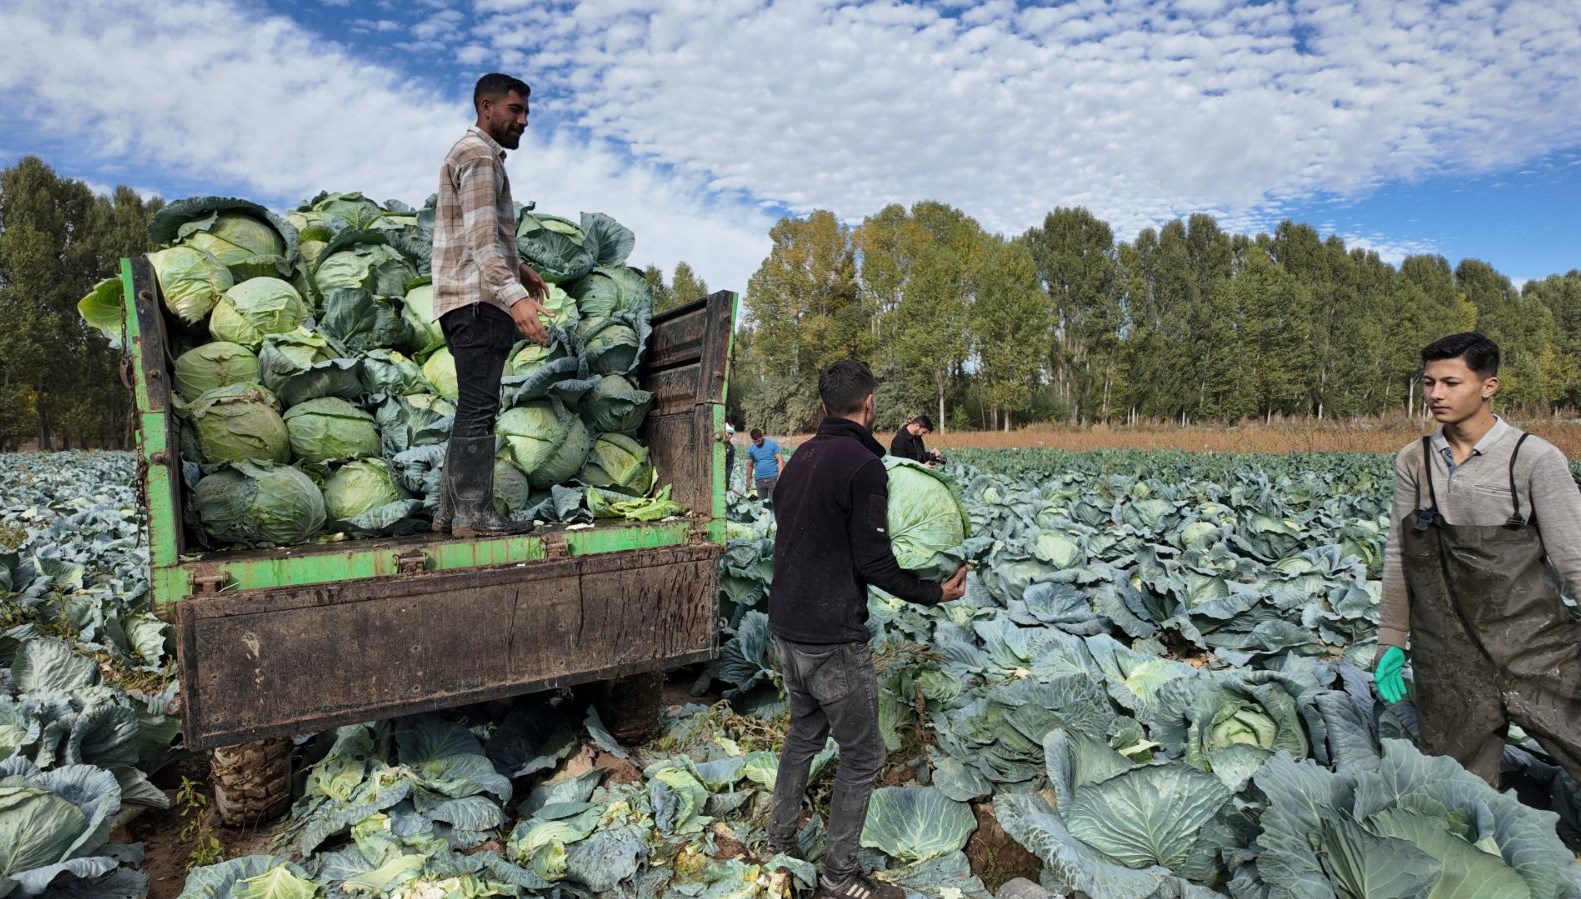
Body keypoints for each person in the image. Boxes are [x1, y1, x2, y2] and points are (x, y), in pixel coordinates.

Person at [765, 360, 969, 899]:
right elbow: (876, 565)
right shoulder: (863, 466)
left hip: (785, 630)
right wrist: (934, 592)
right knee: (862, 756)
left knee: (803, 735)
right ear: (870, 403)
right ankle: (838, 877)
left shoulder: (800, 457)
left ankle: (776, 844)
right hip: (831, 639)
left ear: (824, 404)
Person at [1375, 332, 1581, 785]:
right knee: (1458, 791)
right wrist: (1391, 637)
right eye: (1429, 383)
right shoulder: (1415, 460)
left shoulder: (1534, 459)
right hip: (1448, 653)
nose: (1435, 395)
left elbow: (1575, 560)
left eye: (1450, 382)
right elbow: (1399, 556)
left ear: (1490, 386)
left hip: (1533, 645)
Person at [431, 73, 551, 538]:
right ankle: (473, 515)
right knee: (480, 408)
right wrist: (516, 300)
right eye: (515, 110)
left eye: (525, 113)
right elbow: (482, 242)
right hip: (478, 304)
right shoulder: (480, 155)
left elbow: (475, 232)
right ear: (487, 107)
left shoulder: (470, 153)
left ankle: (450, 513)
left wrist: (521, 269)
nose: (523, 120)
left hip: (463, 300)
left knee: (471, 408)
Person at [746, 428, 783, 500]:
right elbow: (750, 465)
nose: (757, 443)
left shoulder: (772, 444)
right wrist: (748, 481)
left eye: (758, 441)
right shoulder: (751, 449)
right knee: (761, 502)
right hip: (759, 480)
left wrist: (780, 475)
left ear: (762, 436)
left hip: (773, 478)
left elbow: (780, 459)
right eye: (754, 441)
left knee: (774, 501)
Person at [723, 422, 737, 494]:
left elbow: (731, 463)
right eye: (728, 433)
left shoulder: (731, 447)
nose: (730, 436)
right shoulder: (716, 445)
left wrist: (728, 473)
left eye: (731, 434)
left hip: (726, 470)